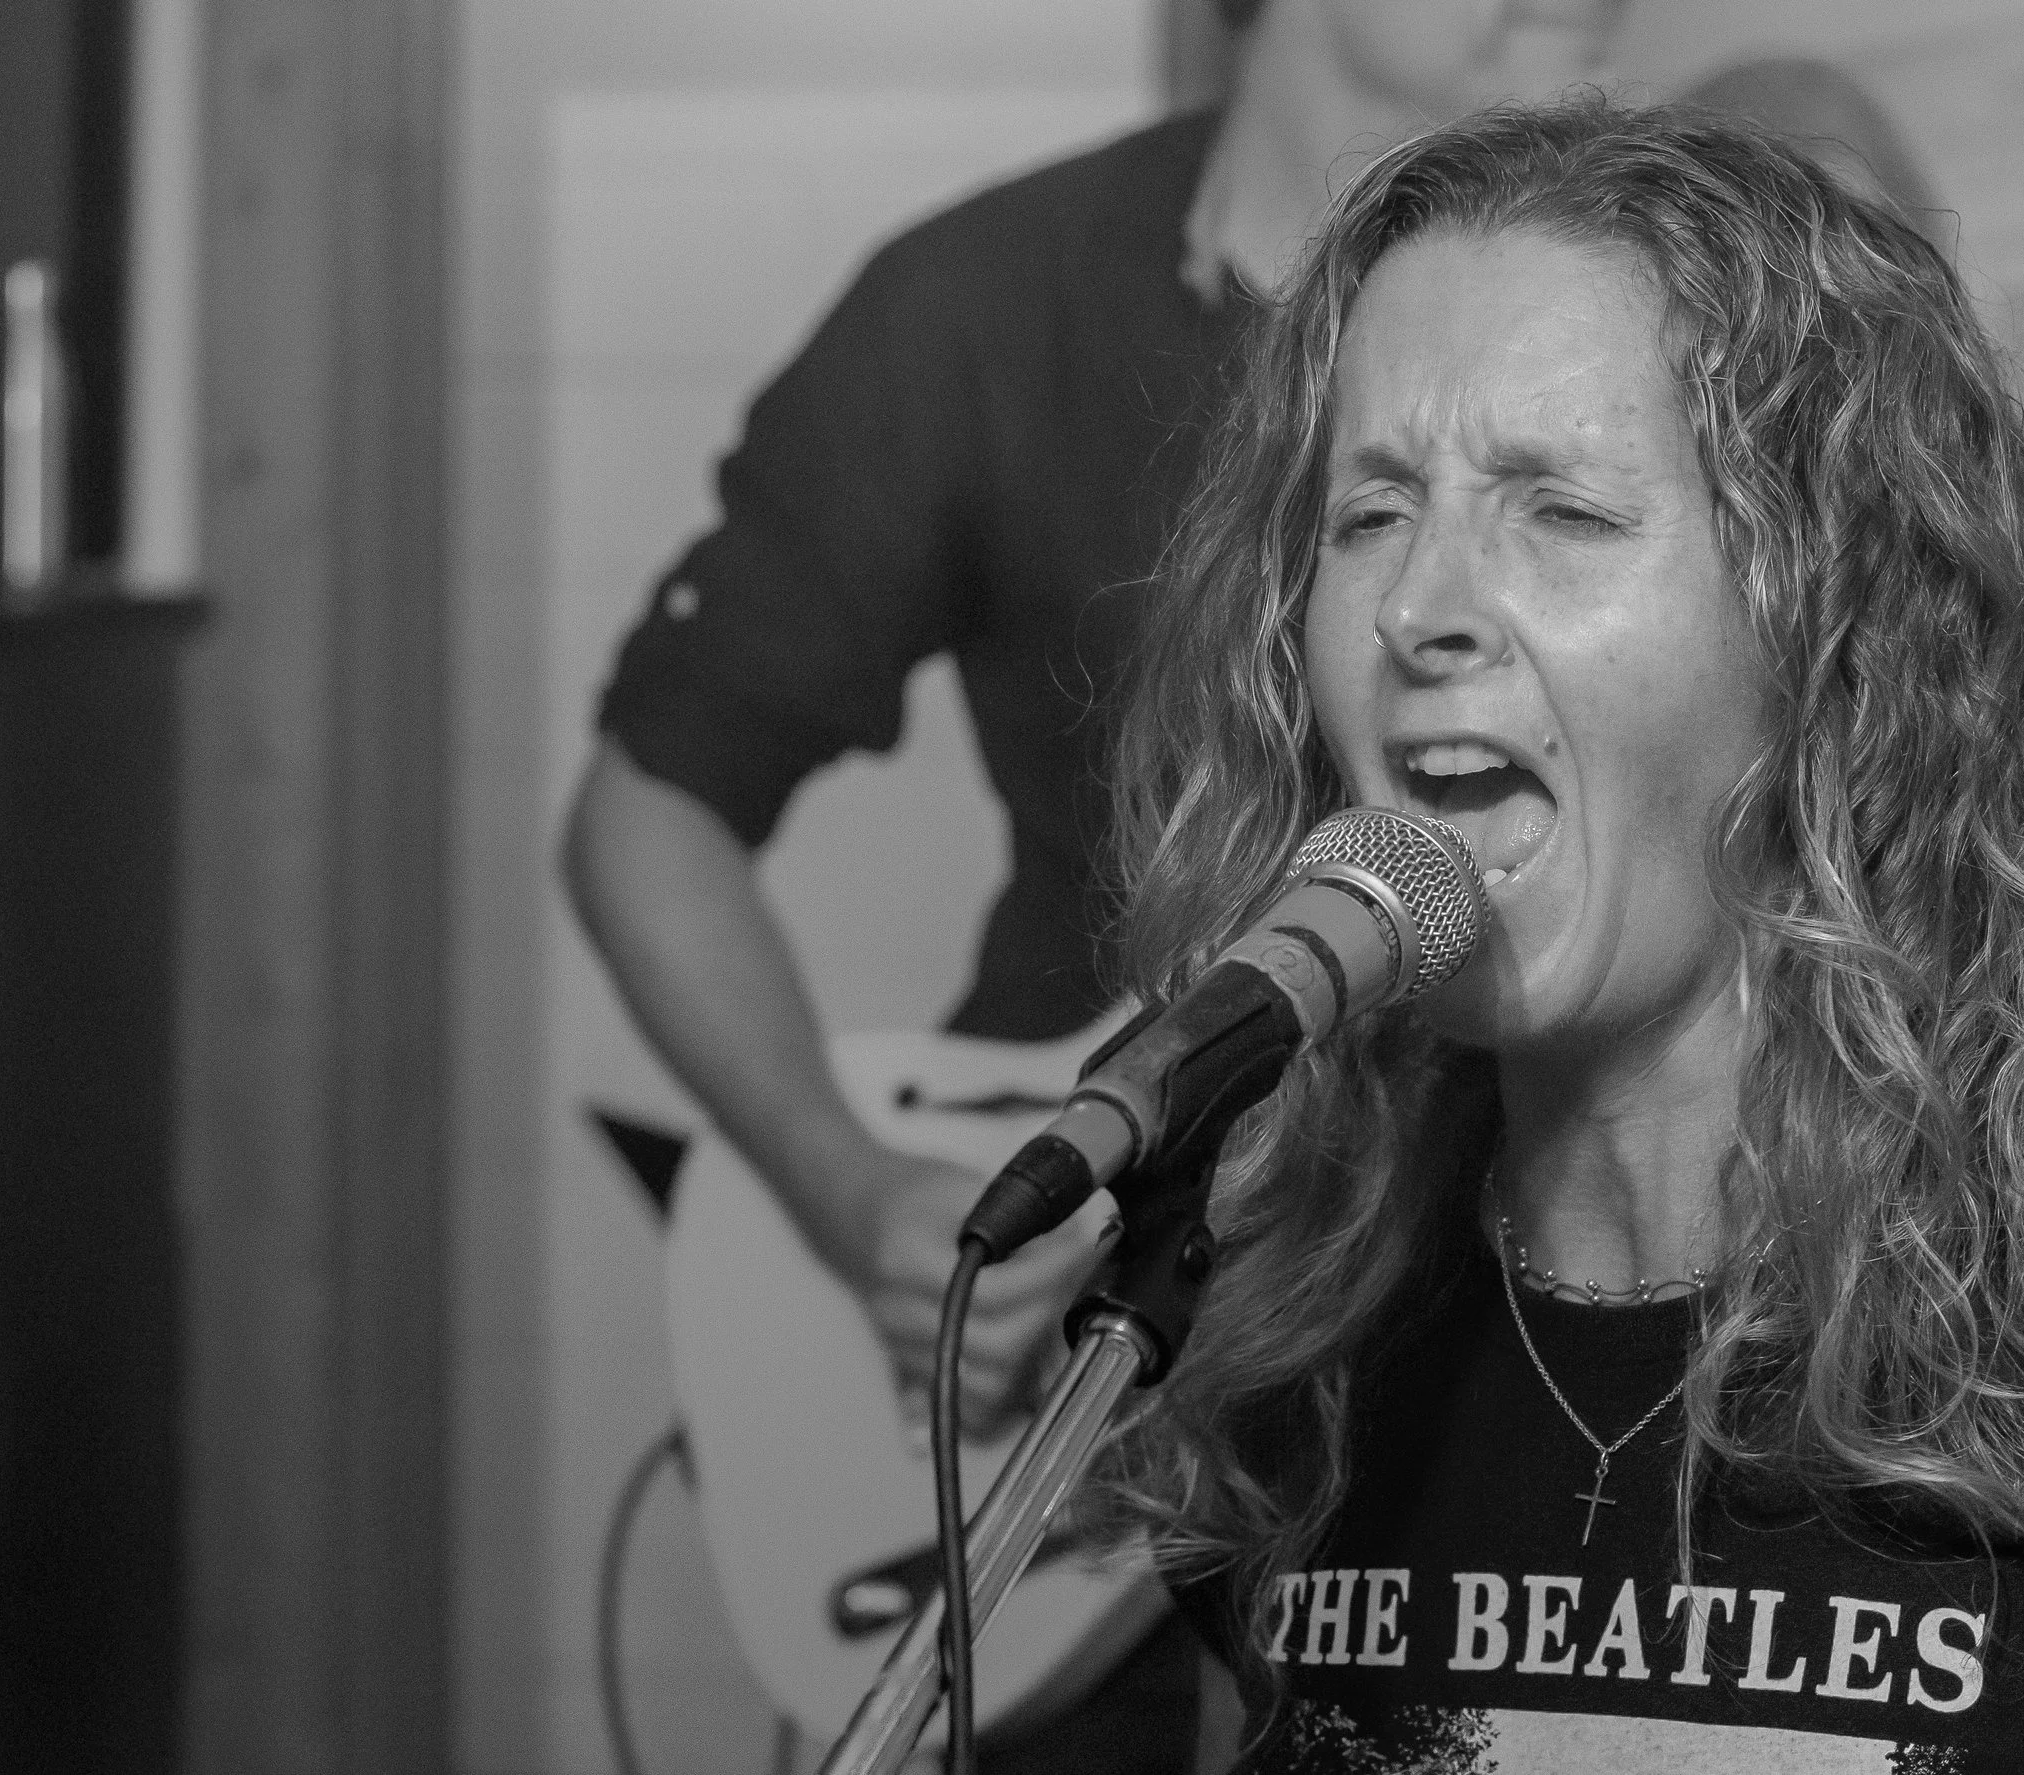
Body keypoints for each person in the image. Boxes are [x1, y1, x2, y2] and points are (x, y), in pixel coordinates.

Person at [1100, 100, 2024, 1770]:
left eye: (1559, 509)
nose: (1422, 606)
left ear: (1835, 643)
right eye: (1369, 514)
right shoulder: (1290, 1369)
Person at [564, 3, 1622, 1765]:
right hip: (1090, 1333)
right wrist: (849, 1193)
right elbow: (642, 814)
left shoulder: (1638, 314)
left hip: (1493, 1324)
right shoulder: (984, 302)